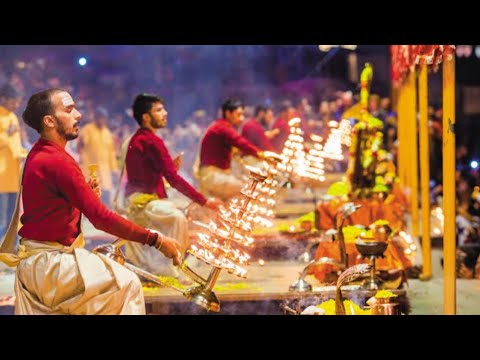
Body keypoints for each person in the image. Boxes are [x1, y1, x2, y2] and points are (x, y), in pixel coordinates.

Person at [0, 88, 182, 315]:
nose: (78, 115)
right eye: (68, 110)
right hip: (50, 266)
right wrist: (155, 239)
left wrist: (82, 197)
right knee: (126, 284)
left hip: (39, 264)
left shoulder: (41, 153)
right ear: (49, 121)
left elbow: (50, 210)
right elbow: (101, 218)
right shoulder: (57, 161)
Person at [122, 93, 222, 276]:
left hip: (144, 199)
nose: (165, 113)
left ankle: (171, 264)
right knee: (178, 217)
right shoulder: (150, 140)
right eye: (159, 110)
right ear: (146, 117)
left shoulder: (142, 138)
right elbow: (173, 180)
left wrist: (168, 170)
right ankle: (174, 268)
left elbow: (153, 174)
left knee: (185, 212)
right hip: (142, 203)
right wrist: (204, 201)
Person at [196, 99, 264, 201]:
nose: (241, 118)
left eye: (242, 115)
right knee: (247, 190)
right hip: (213, 176)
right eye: (238, 114)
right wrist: (262, 154)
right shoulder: (222, 128)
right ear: (228, 113)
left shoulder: (221, 126)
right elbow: (241, 143)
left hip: (216, 175)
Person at [78, 106, 118, 207]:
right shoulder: (87, 129)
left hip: (105, 170)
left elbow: (111, 153)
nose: (101, 120)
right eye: (99, 117)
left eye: (103, 118)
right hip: (91, 169)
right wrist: (81, 141)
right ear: (95, 118)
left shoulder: (107, 133)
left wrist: (114, 169)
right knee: (92, 194)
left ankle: (105, 217)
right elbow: (81, 144)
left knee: (105, 195)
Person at [0, 84, 26, 240]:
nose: (16, 105)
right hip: (1, 176)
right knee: (1, 217)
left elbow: (16, 144)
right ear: (3, 99)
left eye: (17, 101)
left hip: (13, 174)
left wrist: (26, 153)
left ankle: (11, 248)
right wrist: (7, 138)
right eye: (13, 101)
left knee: (13, 217)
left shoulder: (13, 117)